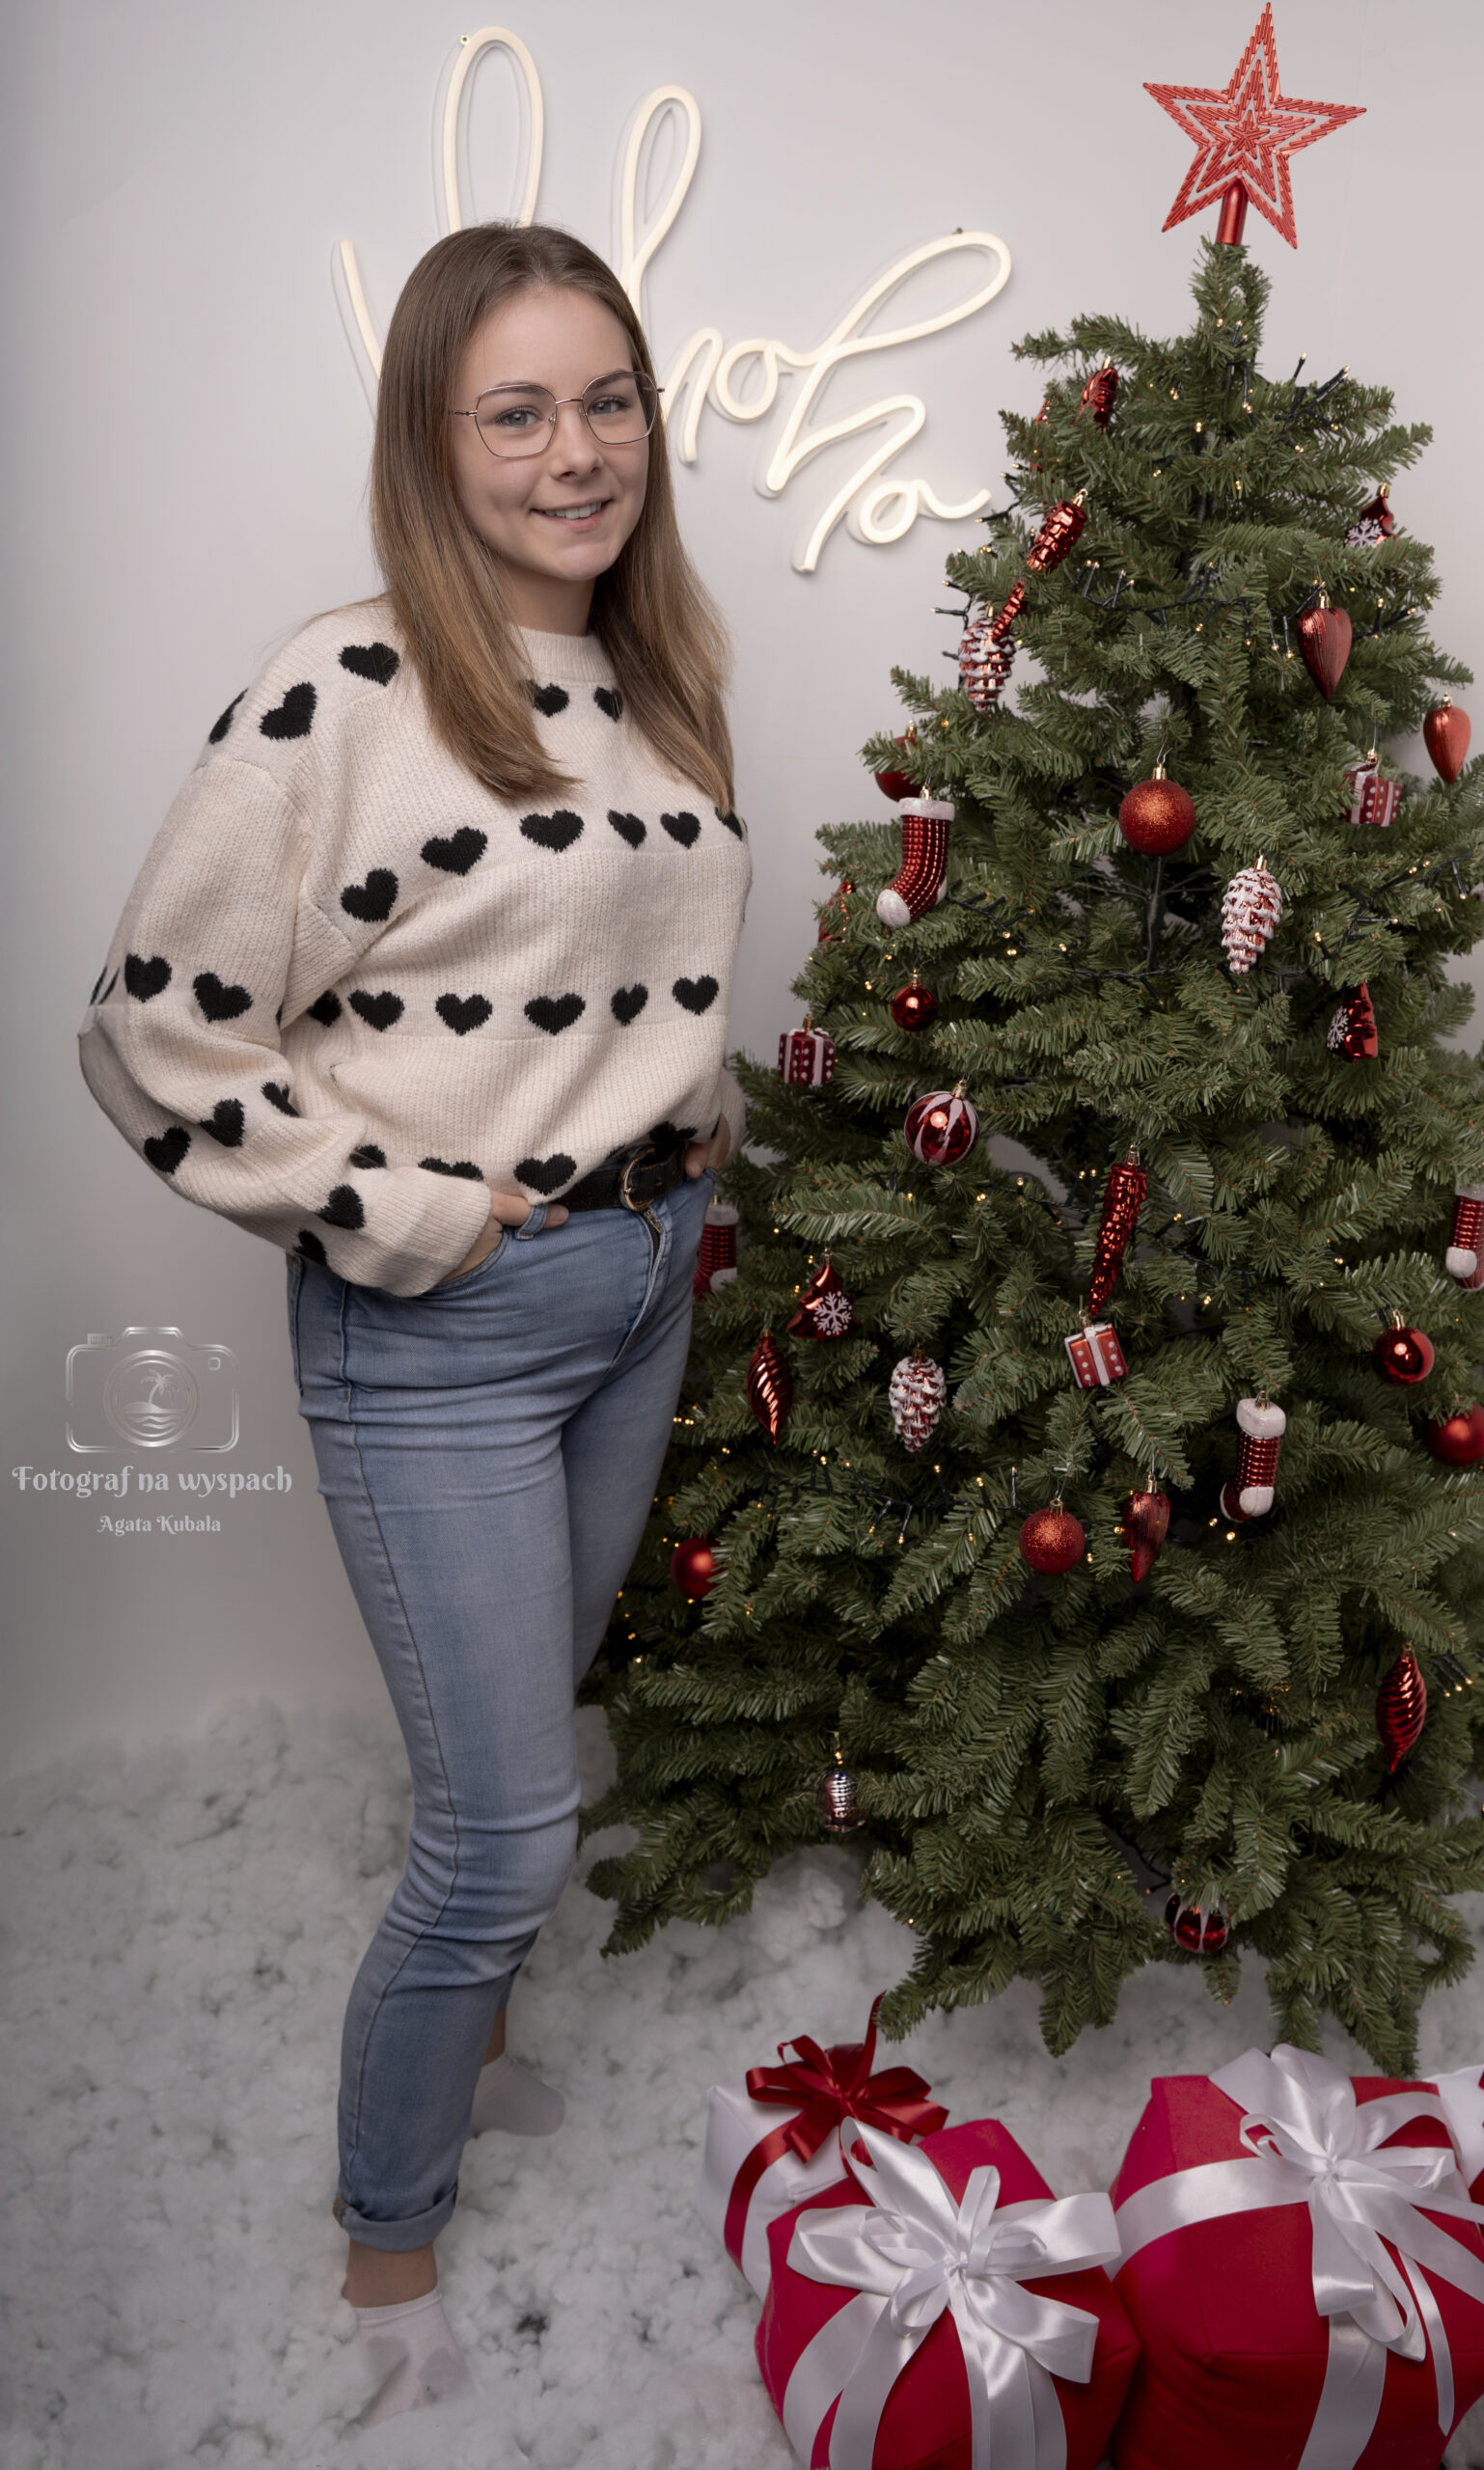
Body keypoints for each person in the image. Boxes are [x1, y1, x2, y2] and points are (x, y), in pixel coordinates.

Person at [77, 221, 753, 2424]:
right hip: (447, 1322)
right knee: (504, 1824)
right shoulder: (343, 692)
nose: (578, 452)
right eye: (518, 411)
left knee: (524, 1731)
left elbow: (630, 978)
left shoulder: (661, 667)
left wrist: (692, 1152)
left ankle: (469, 2057)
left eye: (608, 401)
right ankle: (387, 2251)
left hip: (641, 1280)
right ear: (433, 443)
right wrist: (412, 1211)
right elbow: (152, 1031)